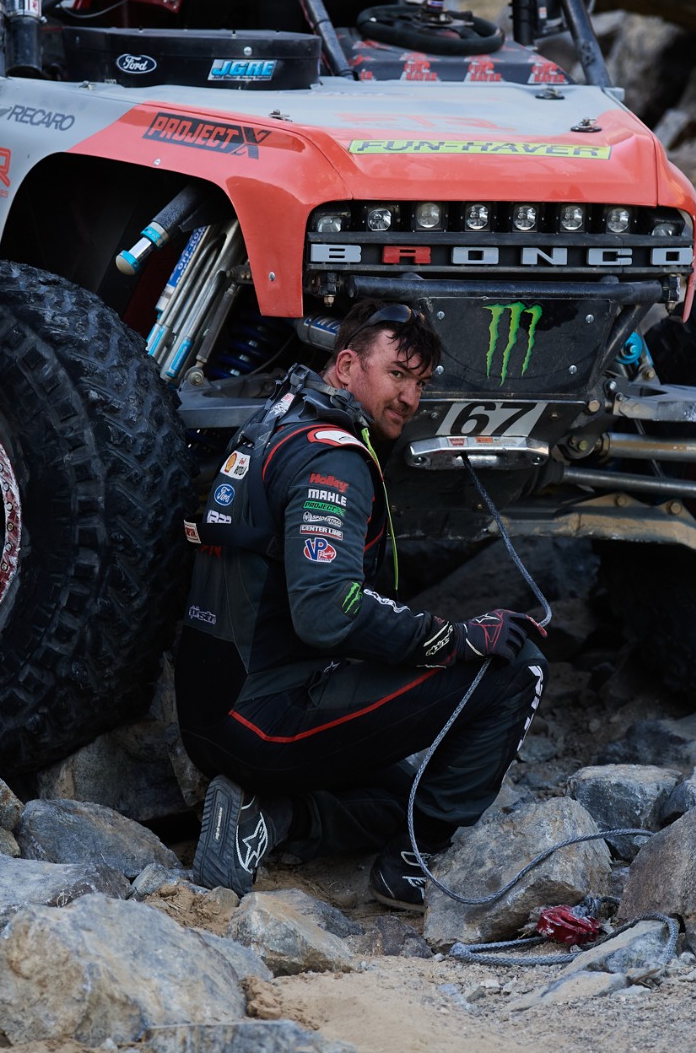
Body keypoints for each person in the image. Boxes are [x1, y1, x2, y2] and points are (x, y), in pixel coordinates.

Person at [174, 298, 546, 910]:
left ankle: (271, 817)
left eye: (420, 383)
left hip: (209, 716)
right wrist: (454, 638)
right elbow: (328, 610)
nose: (410, 398)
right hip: (264, 719)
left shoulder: (274, 420)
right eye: (397, 374)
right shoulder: (335, 458)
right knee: (517, 664)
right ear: (346, 366)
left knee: (402, 800)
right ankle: (410, 870)